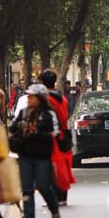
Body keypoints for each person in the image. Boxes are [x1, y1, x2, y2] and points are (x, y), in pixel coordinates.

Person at [9, 84, 61, 218]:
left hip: (42, 156)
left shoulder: (49, 114)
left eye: (32, 96)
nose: (29, 98)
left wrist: (37, 133)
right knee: (26, 189)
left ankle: (54, 207)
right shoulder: (24, 112)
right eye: (29, 96)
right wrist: (21, 125)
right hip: (25, 154)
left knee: (43, 186)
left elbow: (55, 133)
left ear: (40, 98)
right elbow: (12, 127)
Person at [40, 68, 74, 206]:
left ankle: (54, 197)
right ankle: (63, 196)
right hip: (63, 135)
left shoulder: (45, 99)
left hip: (50, 136)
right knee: (63, 166)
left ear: (42, 82)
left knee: (51, 166)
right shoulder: (63, 99)